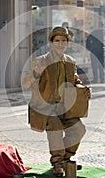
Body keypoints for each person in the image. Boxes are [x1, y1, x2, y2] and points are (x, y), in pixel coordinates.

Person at [22, 27, 91, 176]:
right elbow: (25, 84)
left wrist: (83, 88)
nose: (60, 44)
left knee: (79, 129)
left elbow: (75, 80)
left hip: (65, 108)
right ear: (51, 43)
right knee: (55, 128)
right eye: (57, 41)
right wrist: (35, 73)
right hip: (45, 109)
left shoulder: (70, 62)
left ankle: (66, 158)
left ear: (67, 43)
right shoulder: (40, 61)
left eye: (64, 41)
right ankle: (57, 163)